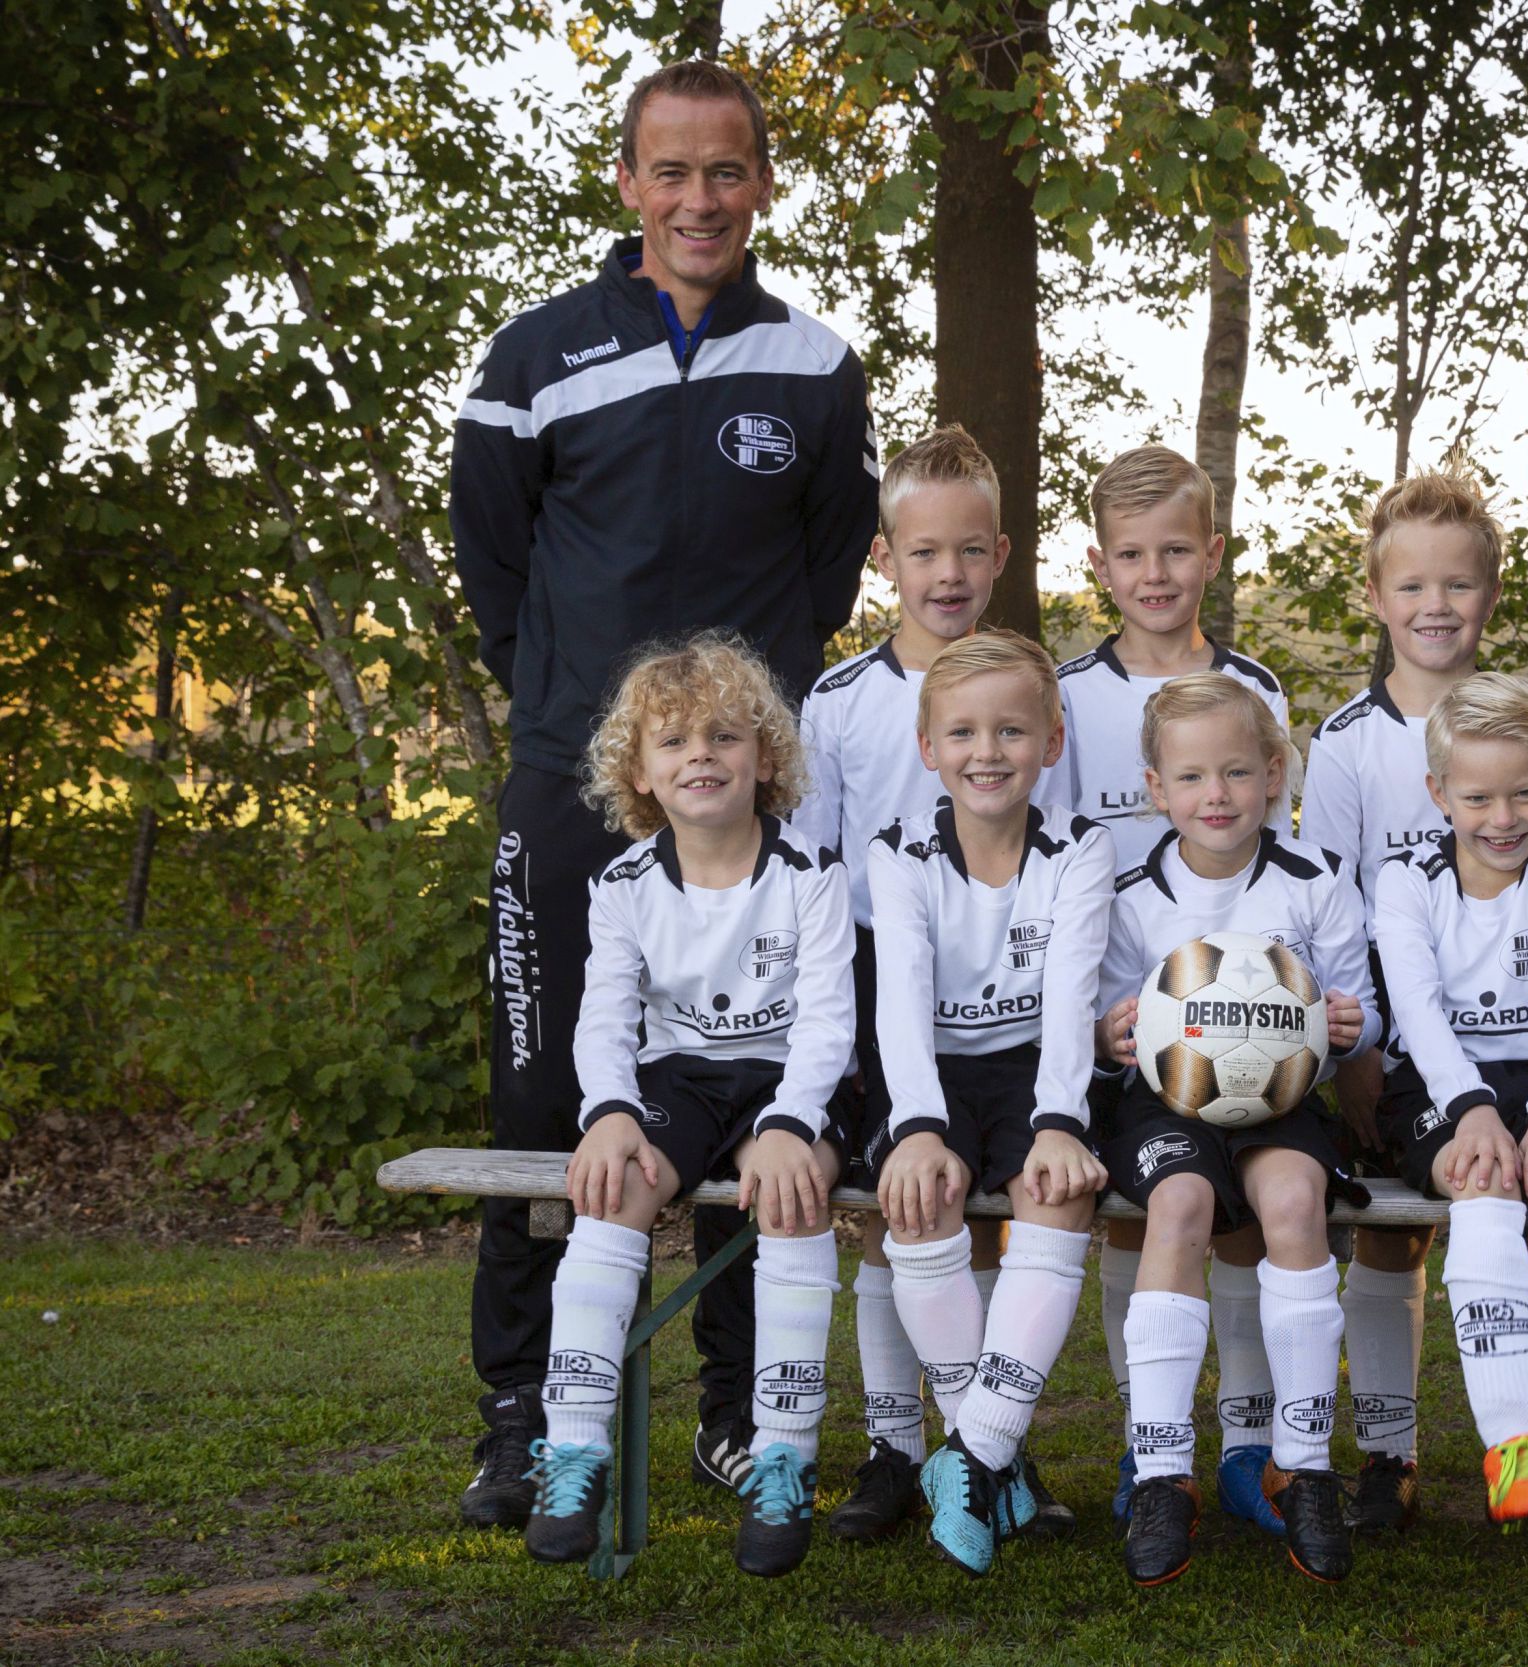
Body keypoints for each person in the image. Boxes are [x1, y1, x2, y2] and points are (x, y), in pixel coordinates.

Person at [450, 57, 878, 1528]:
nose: (701, 199)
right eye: (673, 171)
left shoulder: (815, 366)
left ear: (763, 184)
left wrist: (728, 743)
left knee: (754, 1080)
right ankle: (523, 1413)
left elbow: (822, 579)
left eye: (728, 171)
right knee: (541, 1099)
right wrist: (580, 713)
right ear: (629, 182)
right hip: (575, 786)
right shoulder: (535, 357)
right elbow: (496, 566)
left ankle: (734, 1409)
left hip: (742, 800)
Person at [1300, 473, 1528, 1534]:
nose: (1436, 604)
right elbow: (1327, 912)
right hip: (1401, 1046)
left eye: (1458, 584)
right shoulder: (1346, 741)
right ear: (1376, 595)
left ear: (1491, 594)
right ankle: (1390, 1451)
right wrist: (1357, 1057)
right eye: (1413, 584)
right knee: (1394, 1237)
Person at [524, 634, 853, 1580]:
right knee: (614, 1184)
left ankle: (782, 1458)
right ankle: (574, 1449)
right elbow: (603, 1019)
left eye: (723, 736)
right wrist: (609, 1112)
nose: (699, 755)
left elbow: (828, 1021)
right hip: (682, 1078)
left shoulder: (811, 872)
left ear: (766, 757)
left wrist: (790, 1123)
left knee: (794, 1191)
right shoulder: (624, 884)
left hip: (791, 1078)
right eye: (672, 742)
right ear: (640, 772)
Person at [786, 427, 1058, 1539]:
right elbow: (809, 868)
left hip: (1001, 982)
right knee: (887, 1206)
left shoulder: (1024, 690)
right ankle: (895, 1447)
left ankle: (982, 1447)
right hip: (873, 979)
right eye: (923, 552)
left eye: (969, 551)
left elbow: (1053, 843)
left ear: (1000, 555)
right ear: (884, 559)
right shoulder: (840, 699)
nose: (948, 574)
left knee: (979, 1218)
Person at [1036, 445, 1297, 1535]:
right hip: (1118, 1015)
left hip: (1246, 1023)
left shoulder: (1256, 690)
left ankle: (1246, 1441)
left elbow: (1280, 859)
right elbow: (1051, 855)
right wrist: (1093, 1019)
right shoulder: (1066, 696)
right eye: (1133, 555)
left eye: (1177, 551)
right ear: (1100, 566)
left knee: (1242, 1223)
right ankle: (1148, 1441)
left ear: (1213, 554)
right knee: (1139, 1216)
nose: (1156, 575)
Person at [1092, 675, 1377, 1587]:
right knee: (1178, 1205)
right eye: (1191, 777)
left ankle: (1305, 1464)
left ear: (1275, 775)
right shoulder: (1131, 893)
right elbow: (1105, 1026)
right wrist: (1110, 1034)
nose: (1216, 794)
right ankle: (1162, 1472)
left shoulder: (1316, 877)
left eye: (1238, 772)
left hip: (1284, 1100)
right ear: (1155, 788)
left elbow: (1361, 1005)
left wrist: (1348, 1024)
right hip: (1165, 1106)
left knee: (1292, 1201)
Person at [864, 632, 1115, 1577]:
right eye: (963, 731)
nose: (987, 751)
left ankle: (968, 1456)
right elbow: (899, 1000)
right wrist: (918, 1127)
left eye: (1011, 730)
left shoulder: (1080, 848)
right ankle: (996, 1459)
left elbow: (1070, 998)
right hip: (927, 1071)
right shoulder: (898, 852)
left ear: (1052, 741)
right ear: (928, 746)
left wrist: (1059, 1122)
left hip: (1034, 1070)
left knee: (1060, 1190)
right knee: (919, 1194)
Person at [1365, 673, 1528, 1528]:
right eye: (1478, 797)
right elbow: (1417, 1011)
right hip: (1438, 1085)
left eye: (1525, 793)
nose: (1503, 817)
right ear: (1439, 792)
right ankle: (1513, 1443)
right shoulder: (1405, 880)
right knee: (1480, 1182)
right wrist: (1471, 1107)